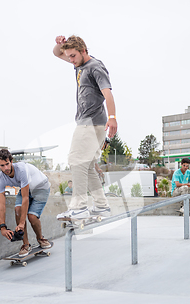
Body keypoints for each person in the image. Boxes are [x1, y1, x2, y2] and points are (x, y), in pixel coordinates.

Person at [54, 35, 117, 220]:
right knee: (88, 166)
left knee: (76, 160)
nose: (71, 61)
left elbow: (108, 93)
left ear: (83, 51)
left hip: (90, 123)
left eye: (73, 56)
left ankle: (79, 206)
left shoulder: (95, 67)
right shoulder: (79, 65)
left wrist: (112, 117)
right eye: (69, 56)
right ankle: (101, 206)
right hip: (92, 123)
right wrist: (59, 44)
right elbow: (57, 54)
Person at [0, 149, 52, 257]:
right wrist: (3, 227)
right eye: (2, 165)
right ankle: (26, 245)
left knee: (32, 217)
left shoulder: (21, 170)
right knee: (17, 210)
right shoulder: (0, 180)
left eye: (7, 164)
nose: (6, 168)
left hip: (41, 187)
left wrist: (21, 223)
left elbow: (25, 198)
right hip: (27, 188)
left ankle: (41, 238)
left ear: (11, 161)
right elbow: (1, 204)